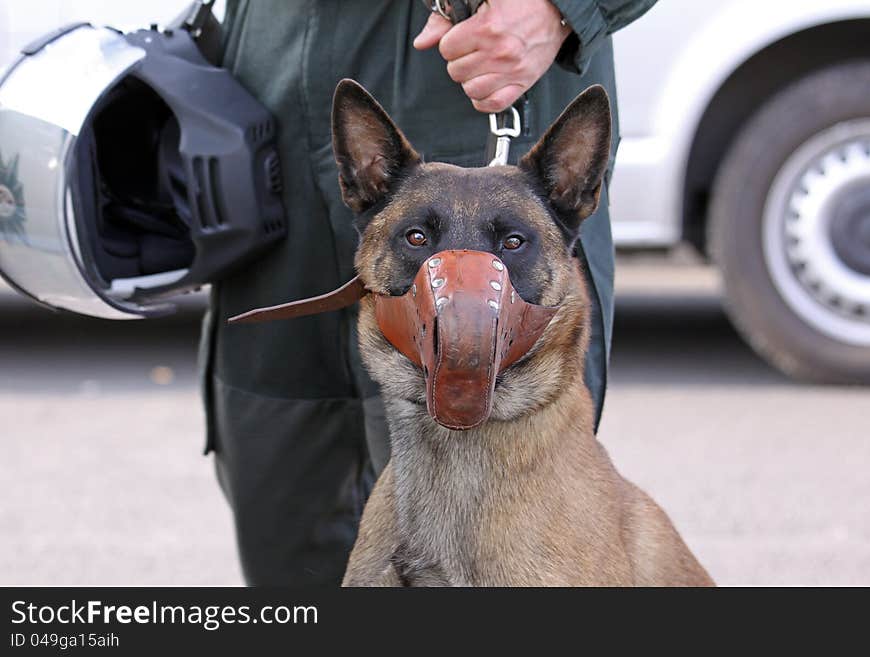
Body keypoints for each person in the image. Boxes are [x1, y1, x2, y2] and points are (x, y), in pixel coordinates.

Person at [200, 0, 657, 586]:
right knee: (281, 510)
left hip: (468, 68)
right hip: (274, 73)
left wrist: (560, 9)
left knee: (504, 522)